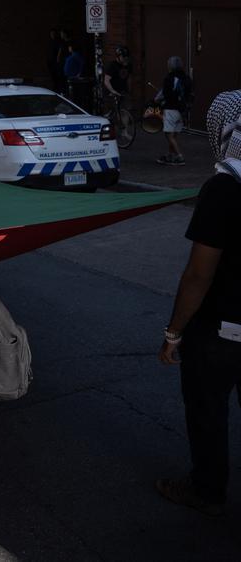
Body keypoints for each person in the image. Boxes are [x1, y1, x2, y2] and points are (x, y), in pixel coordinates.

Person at [157, 90, 241, 518]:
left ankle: (207, 490)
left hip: (221, 333)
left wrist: (174, 333)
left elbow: (198, 275)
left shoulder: (224, 187)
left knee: (208, 411)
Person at [156, 56, 192, 166]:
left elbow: (165, 94)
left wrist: (157, 101)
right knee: (174, 135)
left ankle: (179, 156)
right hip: (182, 110)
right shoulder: (186, 78)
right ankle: (170, 155)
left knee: (168, 134)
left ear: (170, 66)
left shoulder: (169, 78)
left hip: (171, 109)